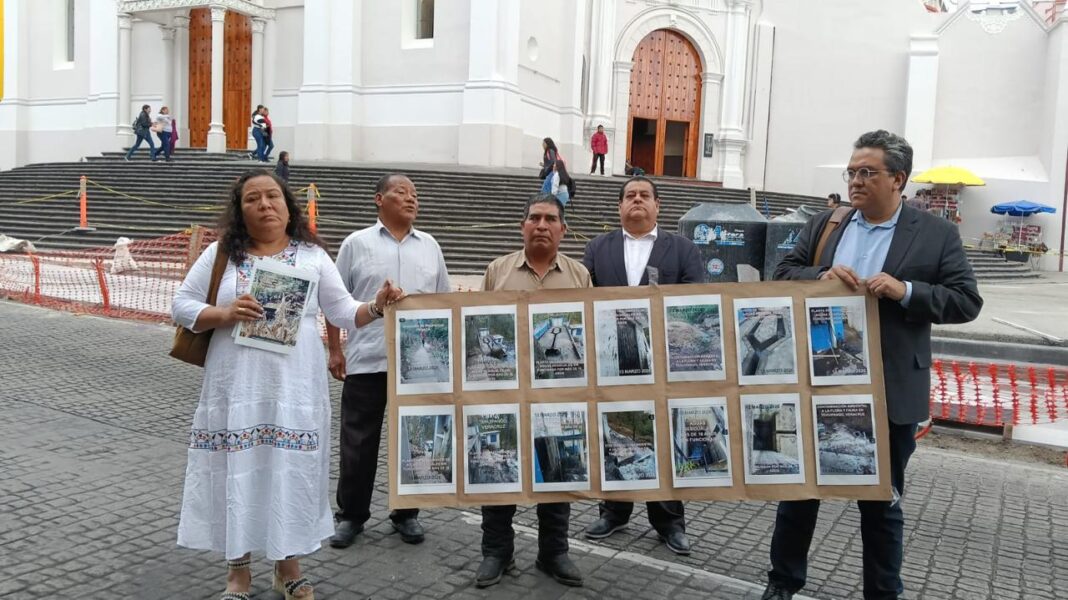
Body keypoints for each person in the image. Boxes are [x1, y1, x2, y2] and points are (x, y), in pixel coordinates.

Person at [762, 130, 982, 600]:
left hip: (887, 387)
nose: (856, 181)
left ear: (898, 178)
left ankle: (883, 593)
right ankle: (782, 584)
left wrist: (906, 292)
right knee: (800, 493)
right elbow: (781, 274)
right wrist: (820, 276)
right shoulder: (827, 224)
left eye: (868, 172)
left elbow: (966, 301)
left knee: (881, 502)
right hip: (816, 381)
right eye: (852, 172)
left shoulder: (936, 234)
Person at [172, 169, 403, 600]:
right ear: (240, 211)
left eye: (273, 196)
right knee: (236, 473)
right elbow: (181, 304)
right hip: (236, 390)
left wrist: (376, 305)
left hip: (294, 392)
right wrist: (223, 314)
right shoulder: (223, 253)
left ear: (288, 204)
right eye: (253, 199)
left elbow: (343, 312)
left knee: (289, 475)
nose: (265, 205)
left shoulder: (312, 256)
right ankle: (238, 573)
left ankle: (287, 568)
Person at [326, 174, 451, 550]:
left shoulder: (430, 246)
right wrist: (335, 350)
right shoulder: (355, 244)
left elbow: (444, 302)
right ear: (379, 199)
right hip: (367, 360)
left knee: (417, 443)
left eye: (415, 194)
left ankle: (406, 513)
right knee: (358, 443)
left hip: (421, 368)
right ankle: (351, 516)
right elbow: (334, 302)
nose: (411, 199)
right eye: (401, 193)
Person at [581, 176, 703, 556]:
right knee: (616, 435)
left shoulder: (682, 249)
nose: (637, 200)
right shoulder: (597, 247)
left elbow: (694, 304)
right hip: (611, 362)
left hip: (663, 364)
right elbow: (582, 300)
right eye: (630, 195)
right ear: (620, 207)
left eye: (644, 195)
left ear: (657, 205)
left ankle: (669, 521)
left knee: (663, 440)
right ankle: (613, 511)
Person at [476, 193, 590, 589]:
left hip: (559, 393)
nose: (542, 225)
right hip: (504, 390)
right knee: (498, 466)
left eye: (550, 219)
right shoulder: (497, 270)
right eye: (534, 218)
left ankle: (553, 552)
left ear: (562, 229)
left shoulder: (580, 275)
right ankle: (496, 551)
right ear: (522, 225)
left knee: (557, 468)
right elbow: (479, 327)